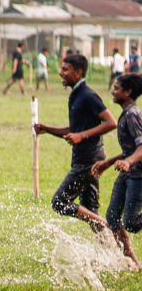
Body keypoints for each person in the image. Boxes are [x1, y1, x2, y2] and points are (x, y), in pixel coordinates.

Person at [34, 54, 117, 232]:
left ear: (78, 73)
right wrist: (47, 129)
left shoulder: (88, 95)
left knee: (59, 202)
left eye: (65, 69)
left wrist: (82, 136)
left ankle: (107, 225)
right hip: (84, 159)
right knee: (91, 210)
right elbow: (74, 130)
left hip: (89, 162)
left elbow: (111, 122)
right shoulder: (75, 96)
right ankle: (114, 255)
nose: (60, 73)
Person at [89, 74, 142, 268]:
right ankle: (132, 261)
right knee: (112, 218)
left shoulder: (133, 115)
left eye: (117, 88)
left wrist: (128, 162)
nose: (113, 90)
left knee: (131, 223)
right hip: (127, 172)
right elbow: (129, 149)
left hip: (138, 175)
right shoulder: (126, 114)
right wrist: (108, 163)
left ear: (127, 93)